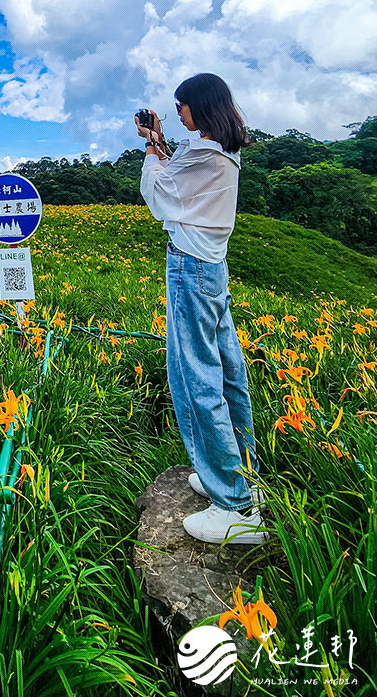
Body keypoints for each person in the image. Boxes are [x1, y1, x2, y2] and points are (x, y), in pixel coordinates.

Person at [135, 73, 267, 546]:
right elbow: (186, 184)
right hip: (213, 267)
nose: (178, 113)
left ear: (201, 106)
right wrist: (163, 143)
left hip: (191, 267)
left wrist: (152, 152)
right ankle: (241, 475)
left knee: (196, 378)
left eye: (182, 105)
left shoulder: (202, 153)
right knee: (228, 372)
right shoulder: (222, 150)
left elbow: (161, 195)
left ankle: (234, 505)